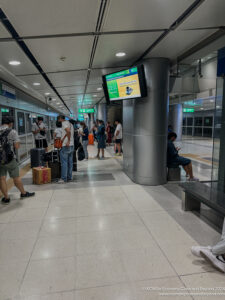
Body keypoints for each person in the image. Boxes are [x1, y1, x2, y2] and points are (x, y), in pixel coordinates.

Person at [0, 116, 35, 204]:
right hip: (9, 159)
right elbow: (17, 146)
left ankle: (6, 198)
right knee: (16, 178)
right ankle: (23, 193)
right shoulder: (12, 132)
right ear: (10, 123)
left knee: (2, 179)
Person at [57, 115, 74, 183]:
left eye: (58, 119)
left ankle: (64, 178)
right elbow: (68, 132)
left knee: (64, 162)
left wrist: (68, 141)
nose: (58, 121)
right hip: (72, 145)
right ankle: (69, 177)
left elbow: (68, 131)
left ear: (61, 119)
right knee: (70, 162)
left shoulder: (64, 123)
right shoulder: (70, 123)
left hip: (66, 145)